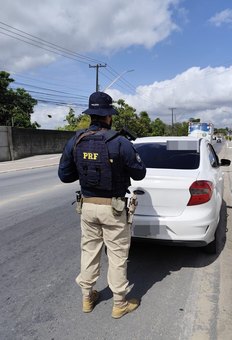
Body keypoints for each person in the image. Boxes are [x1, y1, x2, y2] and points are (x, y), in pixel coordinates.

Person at [58, 91, 146, 319]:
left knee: (89, 252)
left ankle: (87, 298)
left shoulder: (75, 140)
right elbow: (140, 174)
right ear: (108, 116)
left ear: (91, 115)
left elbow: (65, 176)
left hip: (87, 207)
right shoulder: (120, 142)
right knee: (117, 256)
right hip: (113, 209)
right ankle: (119, 304)